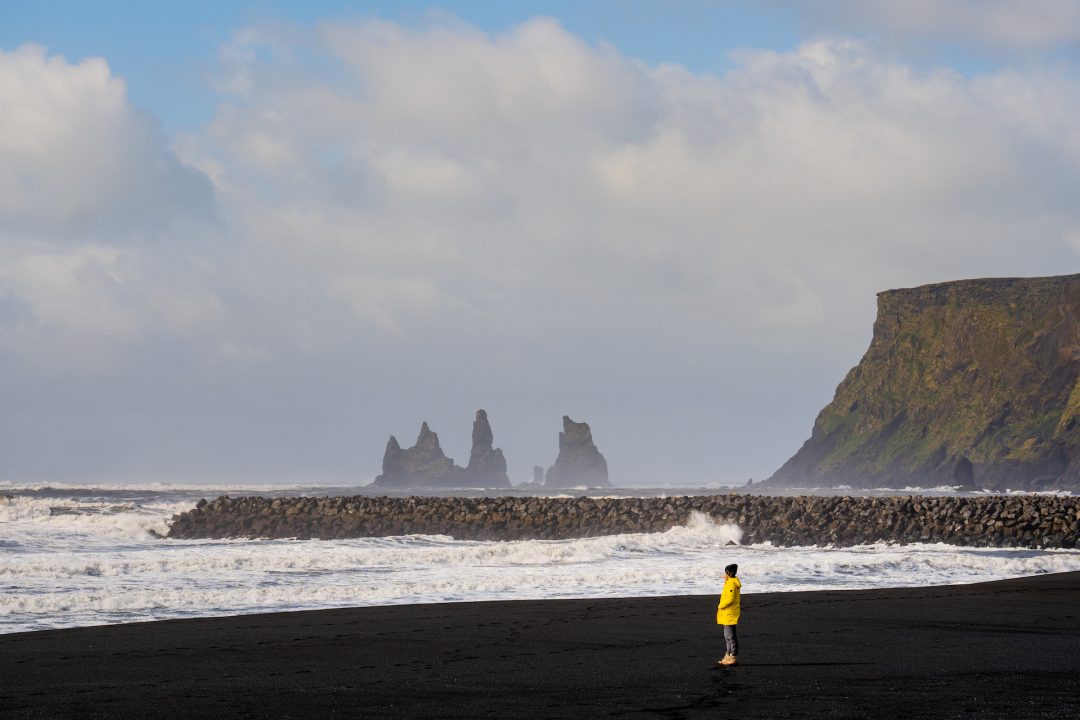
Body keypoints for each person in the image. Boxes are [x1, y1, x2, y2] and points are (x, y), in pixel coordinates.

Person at [717, 563, 741, 666]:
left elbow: (730, 599)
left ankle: (733, 656)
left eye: (725, 571)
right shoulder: (729, 582)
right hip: (727, 613)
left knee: (730, 636)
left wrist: (720, 606)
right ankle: (727, 656)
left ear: (729, 573)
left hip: (729, 612)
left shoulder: (731, 583)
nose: (724, 574)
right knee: (727, 636)